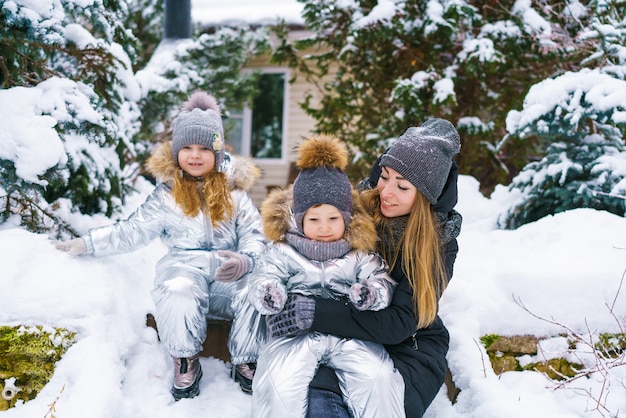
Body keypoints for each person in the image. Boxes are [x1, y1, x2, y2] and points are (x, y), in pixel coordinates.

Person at [51, 91, 266, 400]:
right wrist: (86, 243)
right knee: (176, 289)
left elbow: (254, 236)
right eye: (187, 147)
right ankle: (185, 360)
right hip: (184, 268)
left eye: (204, 148)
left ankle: (246, 359)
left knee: (254, 289)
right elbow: (131, 232)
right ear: (176, 152)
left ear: (217, 153)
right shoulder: (166, 197)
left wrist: (246, 261)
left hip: (227, 273)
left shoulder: (236, 196)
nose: (195, 155)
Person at [267, 118, 463, 417]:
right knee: (309, 393)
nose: (386, 191)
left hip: (408, 348)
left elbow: (399, 323)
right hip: (341, 336)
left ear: (425, 196)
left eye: (402, 186)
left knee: (371, 399)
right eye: (384, 176)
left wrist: (314, 312)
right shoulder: (355, 213)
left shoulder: (438, 242)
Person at [247, 134, 404, 417]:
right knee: (278, 383)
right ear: (298, 219)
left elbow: (381, 279)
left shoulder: (358, 253)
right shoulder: (284, 251)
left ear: (346, 219)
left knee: (378, 376)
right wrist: (270, 292)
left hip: (350, 335)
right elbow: (263, 275)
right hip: (294, 335)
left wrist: (372, 293)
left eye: (333, 219)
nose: (324, 227)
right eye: (314, 219)